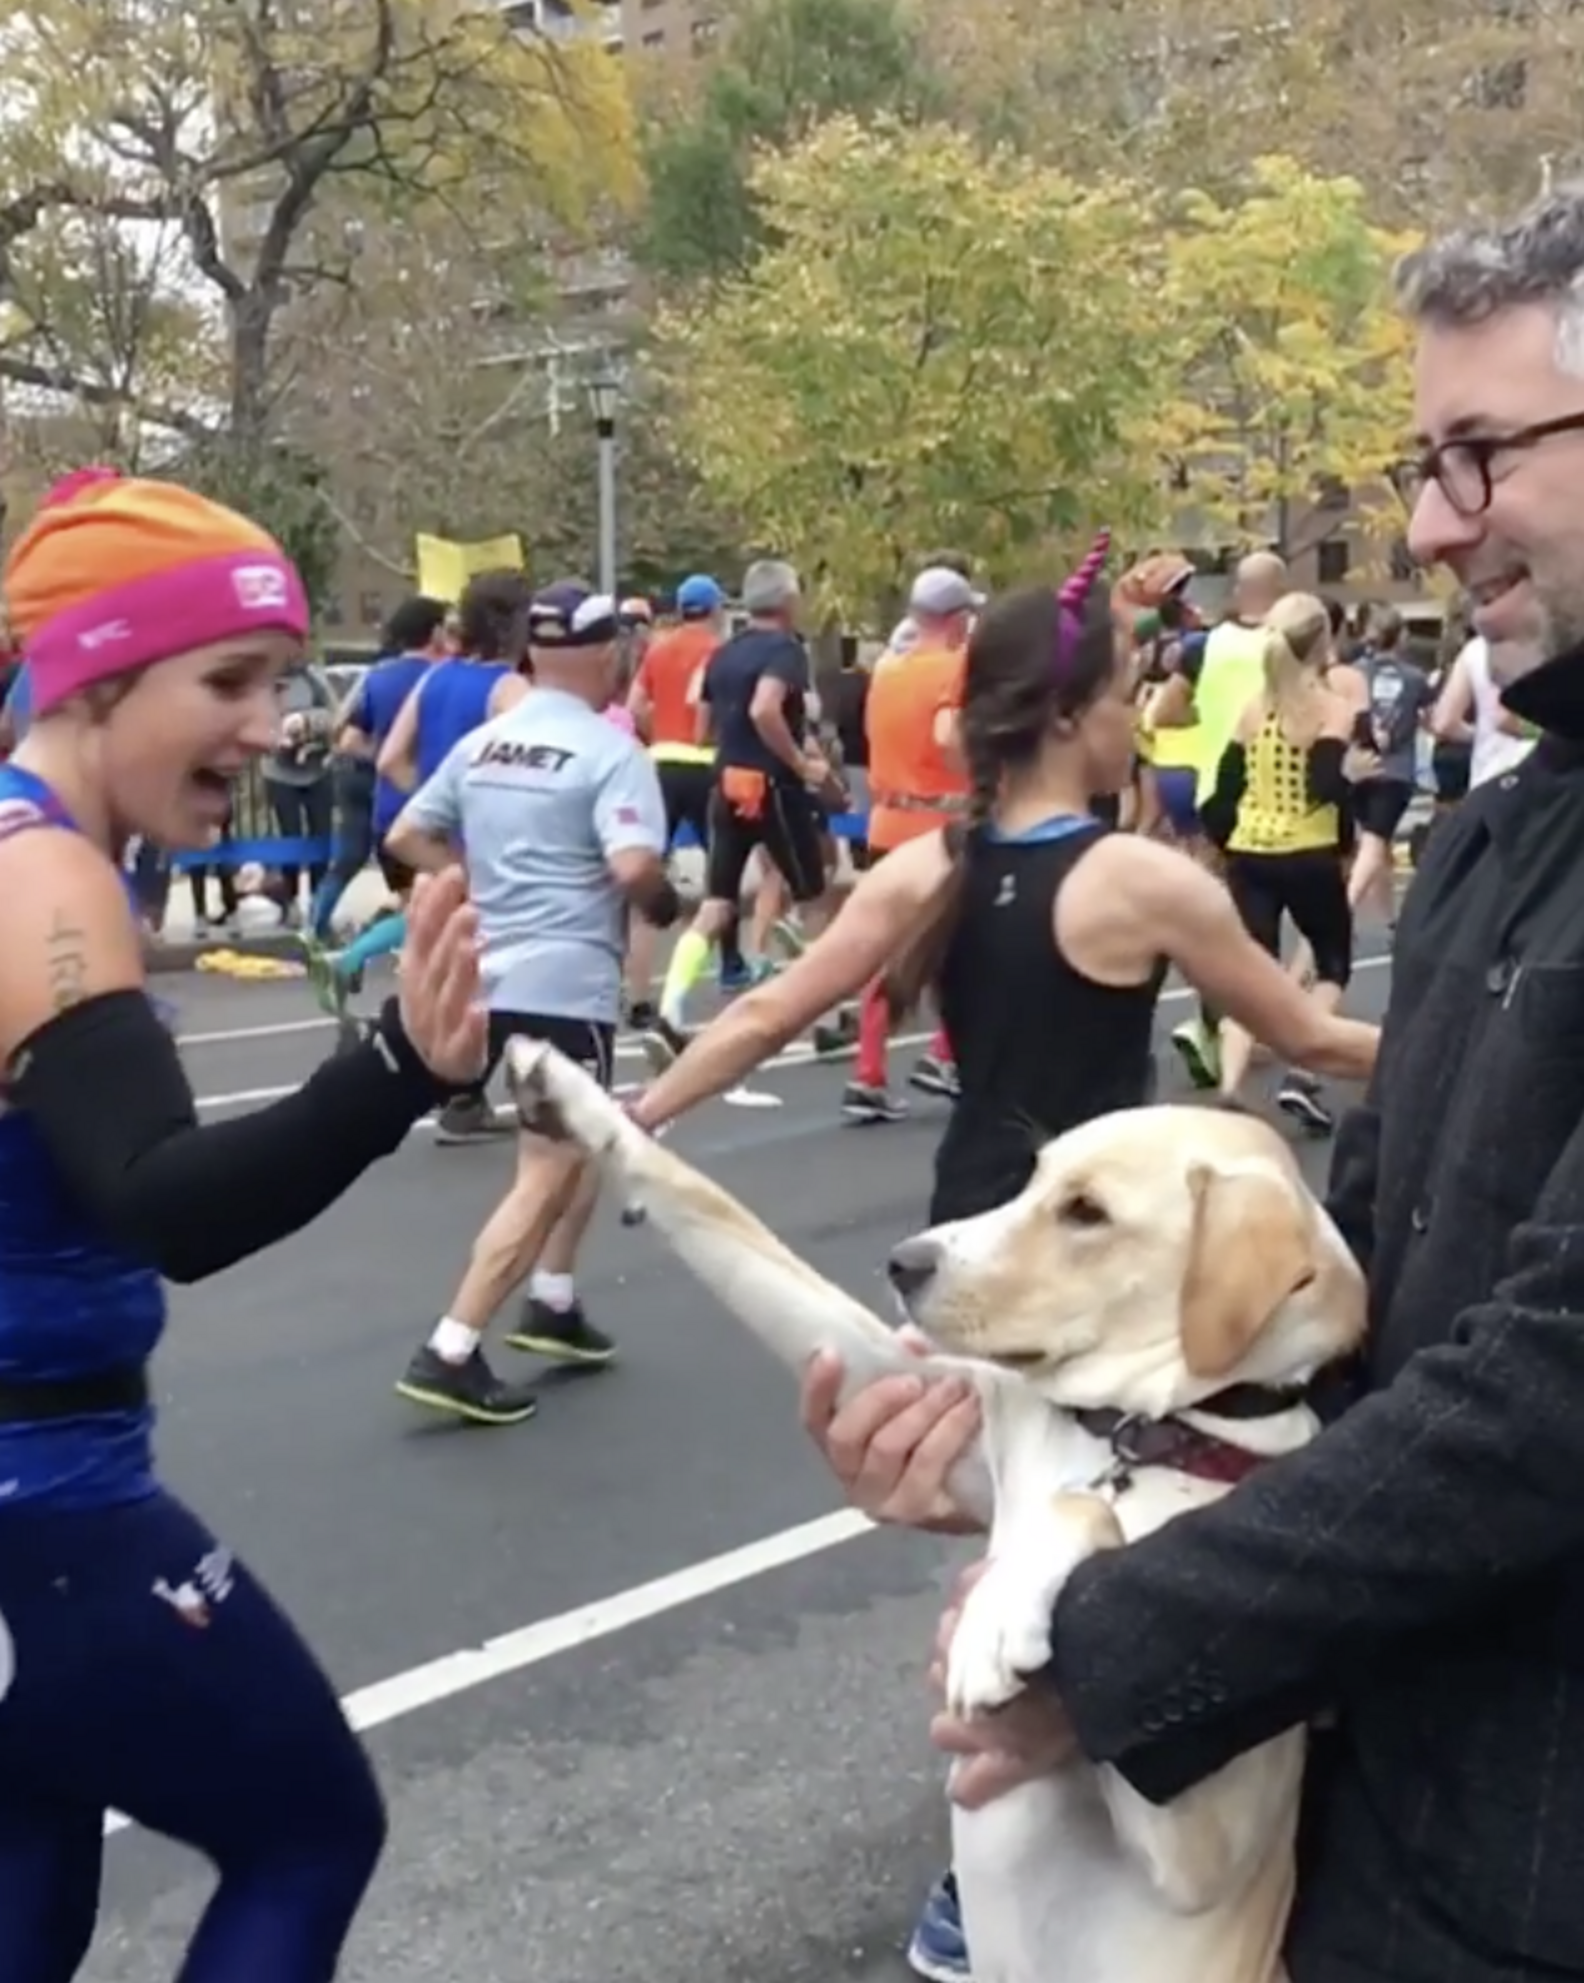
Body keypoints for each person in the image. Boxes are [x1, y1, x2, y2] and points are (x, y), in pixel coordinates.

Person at [797, 180, 1584, 1983]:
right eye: (1420, 457)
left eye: (1473, 455)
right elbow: (1354, 1317)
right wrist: (1061, 1427)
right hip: (1353, 1840)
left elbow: (1545, 1384)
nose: (1422, 522)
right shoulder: (1491, 844)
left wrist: (1118, 1637)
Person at [0, 466, 487, 1979]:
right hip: (49, 1508)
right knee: (307, 1829)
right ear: (92, 674)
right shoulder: (44, 882)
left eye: (277, 681)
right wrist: (400, 1064)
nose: (271, 725)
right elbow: (166, 1202)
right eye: (228, 680)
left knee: (30, 1873)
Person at [386, 582, 674, 1425]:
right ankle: (451, 1346)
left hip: (491, 978)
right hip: (565, 984)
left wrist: (473, 879)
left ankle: (552, 1297)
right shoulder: (610, 751)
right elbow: (630, 869)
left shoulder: (485, 743)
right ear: (606, 655)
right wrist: (666, 906)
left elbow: (406, 832)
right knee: (546, 1167)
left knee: (580, 1137)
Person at [646, 559, 844, 1063]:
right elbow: (765, 707)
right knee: (814, 899)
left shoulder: (724, 653)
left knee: (717, 902)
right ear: (787, 601)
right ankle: (825, 1020)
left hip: (725, 783)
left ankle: (670, 1010)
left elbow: (701, 726)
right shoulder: (786, 651)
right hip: (773, 785)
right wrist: (799, 761)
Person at [377, 570, 534, 1144]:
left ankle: (458, 1090)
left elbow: (389, 758)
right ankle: (477, 1093)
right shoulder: (511, 693)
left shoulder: (436, 679)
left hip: (444, 844)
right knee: (516, 971)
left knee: (468, 967)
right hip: (497, 848)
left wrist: (435, 799)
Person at [1200, 592, 1363, 1131]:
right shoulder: (1331, 709)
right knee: (1332, 960)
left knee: (1254, 965)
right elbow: (1324, 787)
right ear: (1322, 643)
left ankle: (1229, 1086)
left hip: (1252, 850)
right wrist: (1355, 777)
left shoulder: (1255, 708)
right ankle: (1301, 1068)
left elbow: (1223, 791)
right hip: (1308, 853)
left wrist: (1228, 841)